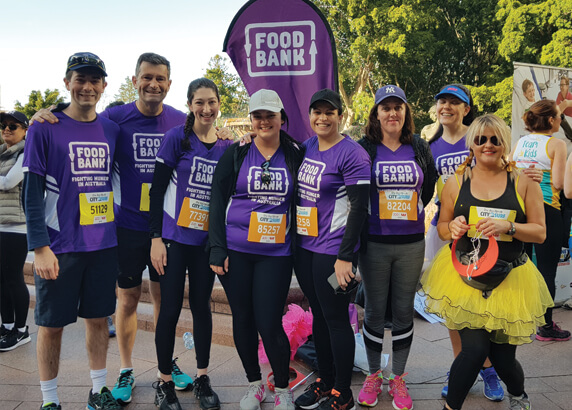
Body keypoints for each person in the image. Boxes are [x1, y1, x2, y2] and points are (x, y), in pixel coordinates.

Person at [30, 53, 196, 404]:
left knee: (165, 302)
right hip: (124, 229)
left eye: (160, 78)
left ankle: (167, 362)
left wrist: (229, 134)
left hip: (167, 230)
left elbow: (210, 141)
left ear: (169, 83)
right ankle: (125, 368)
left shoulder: (182, 122)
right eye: (147, 77)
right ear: (134, 80)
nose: (153, 84)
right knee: (128, 299)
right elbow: (77, 116)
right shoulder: (115, 119)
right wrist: (44, 113)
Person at [422, 114, 553, 410]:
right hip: (467, 276)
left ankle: (518, 395)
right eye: (481, 139)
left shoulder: (523, 183)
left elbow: (541, 233)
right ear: (472, 144)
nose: (488, 145)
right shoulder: (456, 182)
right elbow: (442, 226)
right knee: (473, 350)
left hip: (511, 278)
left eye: (495, 139)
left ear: (504, 143)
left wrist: (511, 227)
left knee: (505, 360)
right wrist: (452, 227)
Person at [22, 52, 121, 409]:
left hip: (103, 244)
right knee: (51, 325)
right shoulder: (44, 127)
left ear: (104, 86)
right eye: (80, 79)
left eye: (95, 80)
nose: (87, 86)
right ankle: (50, 400)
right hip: (60, 246)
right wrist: (40, 246)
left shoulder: (111, 128)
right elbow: (31, 193)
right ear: (67, 82)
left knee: (98, 320)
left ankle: (98, 391)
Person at [209, 89, 304, 410]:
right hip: (236, 253)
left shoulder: (294, 153)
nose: (264, 121)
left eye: (270, 115)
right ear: (251, 120)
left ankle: (282, 387)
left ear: (281, 118)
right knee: (244, 320)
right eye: (258, 116)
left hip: (276, 255)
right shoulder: (237, 153)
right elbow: (217, 199)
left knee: (268, 321)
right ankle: (254, 383)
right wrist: (217, 247)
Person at [149, 78, 231, 410]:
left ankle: (202, 376)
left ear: (219, 104)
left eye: (211, 101)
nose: (206, 108)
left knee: (202, 308)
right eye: (199, 102)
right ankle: (165, 381)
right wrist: (155, 239)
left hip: (205, 243)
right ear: (189, 105)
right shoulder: (176, 139)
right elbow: (155, 192)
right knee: (168, 309)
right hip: (173, 240)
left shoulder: (227, 146)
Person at [355, 85, 436, 409]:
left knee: (403, 312)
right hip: (374, 243)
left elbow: (426, 189)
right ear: (376, 113)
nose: (392, 113)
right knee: (374, 312)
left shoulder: (418, 146)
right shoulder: (365, 148)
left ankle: (398, 378)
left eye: (397, 107)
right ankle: (375, 374)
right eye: (385, 107)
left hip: (410, 244)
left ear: (406, 113)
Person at [426, 84, 504, 401]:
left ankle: (486, 367)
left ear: (466, 109)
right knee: (454, 307)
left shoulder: (479, 138)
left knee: (483, 306)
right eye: (442, 101)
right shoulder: (428, 147)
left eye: (454, 102)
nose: (447, 107)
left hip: (482, 231)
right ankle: (463, 367)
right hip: (446, 232)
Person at [293, 89, 371, 410]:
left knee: (337, 319)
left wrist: (345, 257)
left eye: (330, 112)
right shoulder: (307, 146)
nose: (322, 118)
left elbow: (359, 208)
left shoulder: (352, 154)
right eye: (317, 112)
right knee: (319, 318)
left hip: (333, 251)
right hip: (306, 247)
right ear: (310, 115)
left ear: (341, 115)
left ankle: (343, 391)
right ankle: (324, 380)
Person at [511, 99, 570, 341]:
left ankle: (518, 318)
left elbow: (510, 174)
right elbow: (558, 184)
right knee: (547, 269)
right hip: (547, 210)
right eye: (559, 116)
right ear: (549, 120)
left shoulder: (520, 143)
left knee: (520, 265)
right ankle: (545, 326)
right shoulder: (557, 145)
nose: (561, 120)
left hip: (521, 210)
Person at [0, 110, 31, 352]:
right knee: (2, 279)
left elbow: (9, 182)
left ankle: (21, 331)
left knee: (13, 277)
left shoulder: (25, 152)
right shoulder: (2, 155)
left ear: (24, 130)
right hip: (1, 224)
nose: (7, 129)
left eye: (13, 126)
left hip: (17, 228)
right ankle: (7, 325)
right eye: (3, 126)